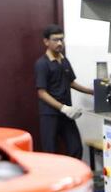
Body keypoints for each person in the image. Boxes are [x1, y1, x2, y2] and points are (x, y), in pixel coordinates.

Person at [34, 24, 93, 159]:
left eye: (61, 39)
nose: (60, 43)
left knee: (76, 147)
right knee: (50, 152)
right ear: (46, 42)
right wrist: (63, 108)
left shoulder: (64, 60)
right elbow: (41, 92)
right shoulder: (42, 64)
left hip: (67, 114)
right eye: (55, 40)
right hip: (50, 115)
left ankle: (73, 178)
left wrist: (91, 92)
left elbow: (70, 82)